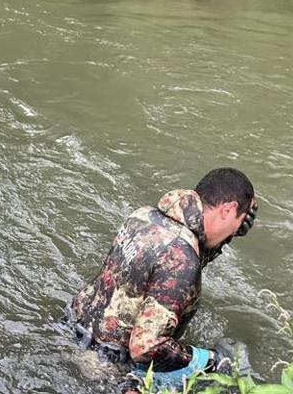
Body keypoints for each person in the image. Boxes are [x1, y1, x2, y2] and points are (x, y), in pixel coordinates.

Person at [64, 167, 258, 392]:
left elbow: (171, 264)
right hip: (103, 370)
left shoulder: (145, 216)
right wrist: (211, 361)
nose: (235, 231)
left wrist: (227, 236)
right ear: (228, 209)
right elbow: (145, 348)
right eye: (238, 222)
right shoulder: (182, 259)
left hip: (70, 328)